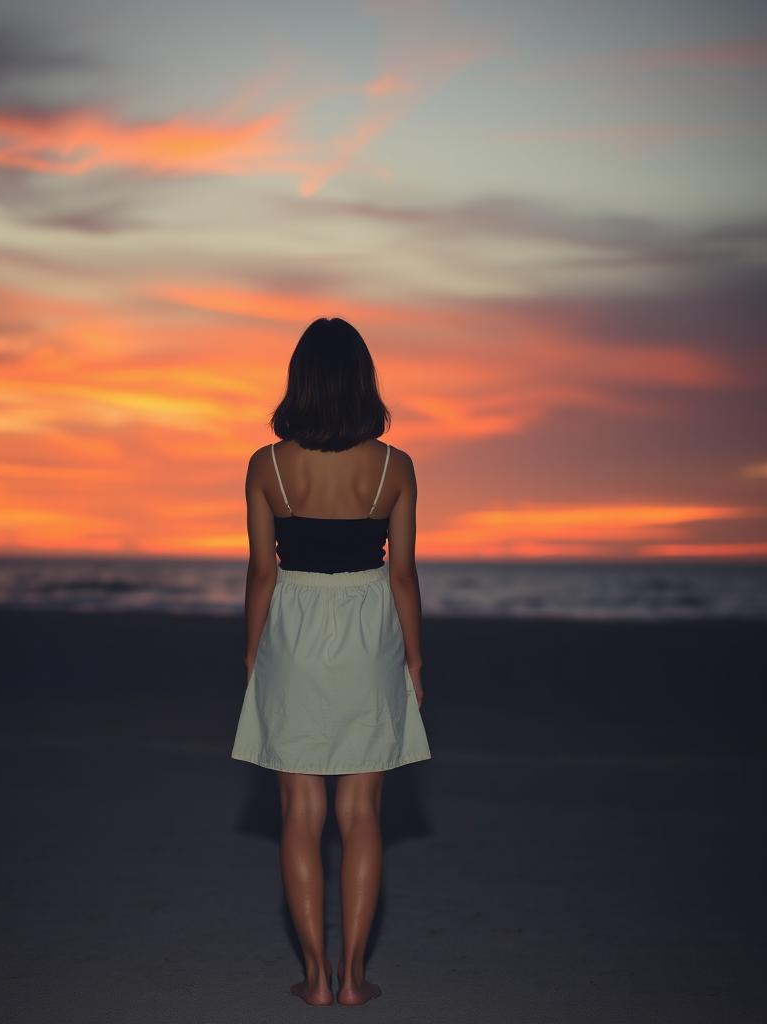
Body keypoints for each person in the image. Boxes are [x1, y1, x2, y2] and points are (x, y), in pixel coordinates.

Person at [230, 316, 431, 1007]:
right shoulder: (394, 468)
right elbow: (402, 575)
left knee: (298, 809)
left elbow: (262, 572)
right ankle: (353, 980)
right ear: (361, 381)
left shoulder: (267, 466)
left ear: (301, 382)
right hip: (369, 628)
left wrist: (255, 650)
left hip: (294, 627)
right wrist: (415, 658)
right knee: (364, 812)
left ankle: (313, 979)